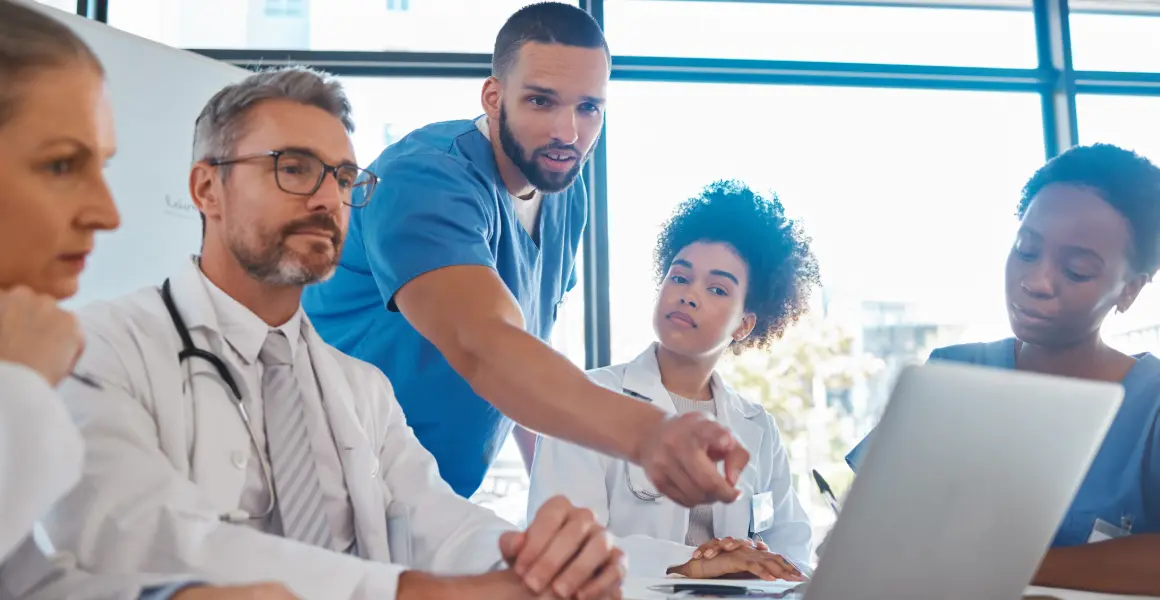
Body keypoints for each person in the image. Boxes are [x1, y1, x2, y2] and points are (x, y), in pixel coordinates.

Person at [37, 65, 624, 600]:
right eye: (293, 169)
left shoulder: (362, 389)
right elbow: (145, 540)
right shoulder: (102, 350)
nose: (327, 199)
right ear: (206, 189)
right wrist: (425, 593)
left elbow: (436, 520)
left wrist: (535, 561)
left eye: (343, 178)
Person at [302, 1, 748, 508]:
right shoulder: (424, 179)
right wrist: (648, 435)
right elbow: (486, 343)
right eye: (541, 102)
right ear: (494, 97)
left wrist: (573, 499)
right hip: (331, 487)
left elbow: (528, 354)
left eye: (589, 108)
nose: (568, 133)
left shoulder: (563, 193)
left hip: (431, 502)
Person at [0, 2, 304, 600]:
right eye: (60, 164)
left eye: (103, 166)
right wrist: (22, 389)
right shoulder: (62, 356)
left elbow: (22, 579)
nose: (107, 213)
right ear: (207, 191)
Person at [846, 144, 1160, 597]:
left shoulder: (1150, 406)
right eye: (1026, 251)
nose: (1036, 282)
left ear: (1128, 290)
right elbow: (878, 532)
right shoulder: (952, 376)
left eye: (1076, 271)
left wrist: (995, 564)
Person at [528, 181, 816, 580]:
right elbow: (562, 546)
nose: (688, 295)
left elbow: (794, 549)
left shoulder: (758, 427)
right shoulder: (585, 399)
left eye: (716, 288)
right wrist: (693, 563)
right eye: (679, 278)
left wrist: (759, 558)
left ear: (744, 324)